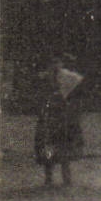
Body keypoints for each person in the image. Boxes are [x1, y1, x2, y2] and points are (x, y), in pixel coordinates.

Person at [34, 57, 85, 187]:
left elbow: (75, 96)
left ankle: (66, 179)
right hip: (49, 119)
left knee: (63, 150)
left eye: (57, 63)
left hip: (63, 119)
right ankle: (49, 179)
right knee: (48, 148)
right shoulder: (46, 79)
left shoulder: (68, 79)